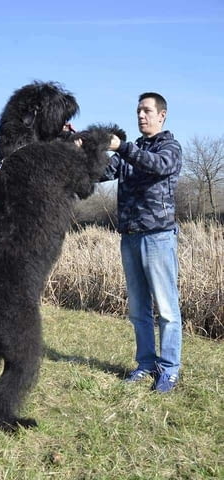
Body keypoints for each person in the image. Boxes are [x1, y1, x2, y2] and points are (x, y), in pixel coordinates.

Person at [102, 92, 182, 393]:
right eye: (138, 111)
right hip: (130, 237)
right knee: (138, 309)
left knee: (166, 309)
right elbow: (101, 173)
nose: (141, 116)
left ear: (162, 115)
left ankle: (170, 369)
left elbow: (157, 165)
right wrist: (83, 148)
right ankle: (146, 364)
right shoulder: (129, 152)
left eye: (147, 111)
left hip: (158, 238)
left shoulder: (169, 147)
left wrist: (121, 146)